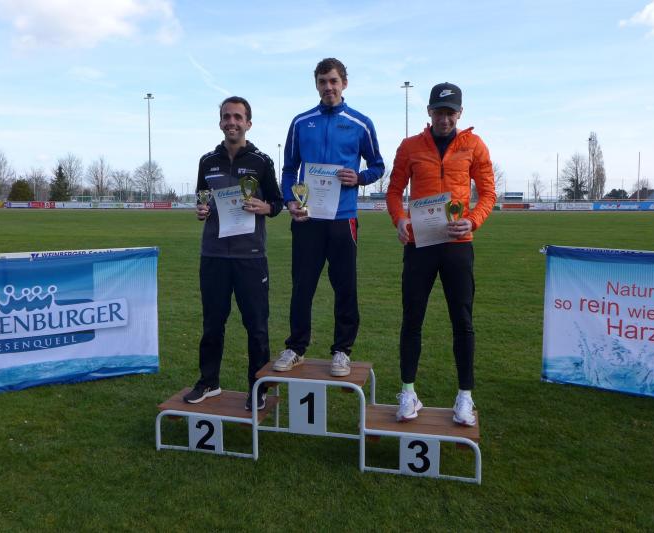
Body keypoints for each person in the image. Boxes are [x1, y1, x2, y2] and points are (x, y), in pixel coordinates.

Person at [386, 82, 496, 426]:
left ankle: (465, 396)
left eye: (450, 112)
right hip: (420, 245)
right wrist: (399, 219)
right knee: (412, 319)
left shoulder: (474, 145)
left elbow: (489, 193)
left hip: (457, 245)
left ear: (460, 113)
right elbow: (393, 191)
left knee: (462, 321)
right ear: (429, 112)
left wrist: (473, 221)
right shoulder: (410, 146)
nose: (444, 119)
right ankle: (408, 392)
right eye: (438, 112)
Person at [273, 58, 385, 377]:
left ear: (344, 83)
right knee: (302, 286)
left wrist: (359, 178)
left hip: (343, 218)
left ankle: (342, 351)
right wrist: (289, 200)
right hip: (307, 218)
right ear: (316, 85)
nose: (328, 87)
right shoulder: (300, 122)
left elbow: (378, 165)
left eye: (333, 81)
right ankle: (296, 347)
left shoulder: (360, 123)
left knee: (345, 287)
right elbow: (289, 170)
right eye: (322, 81)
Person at [183, 96, 283, 411]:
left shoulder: (262, 161)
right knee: (212, 324)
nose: (232, 122)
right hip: (213, 254)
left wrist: (265, 207)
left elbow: (278, 203)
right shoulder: (207, 161)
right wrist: (201, 210)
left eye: (238, 117)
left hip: (250, 256)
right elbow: (202, 197)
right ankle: (209, 381)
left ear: (248, 123)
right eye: (227, 117)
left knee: (257, 326)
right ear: (220, 122)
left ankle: (258, 386)